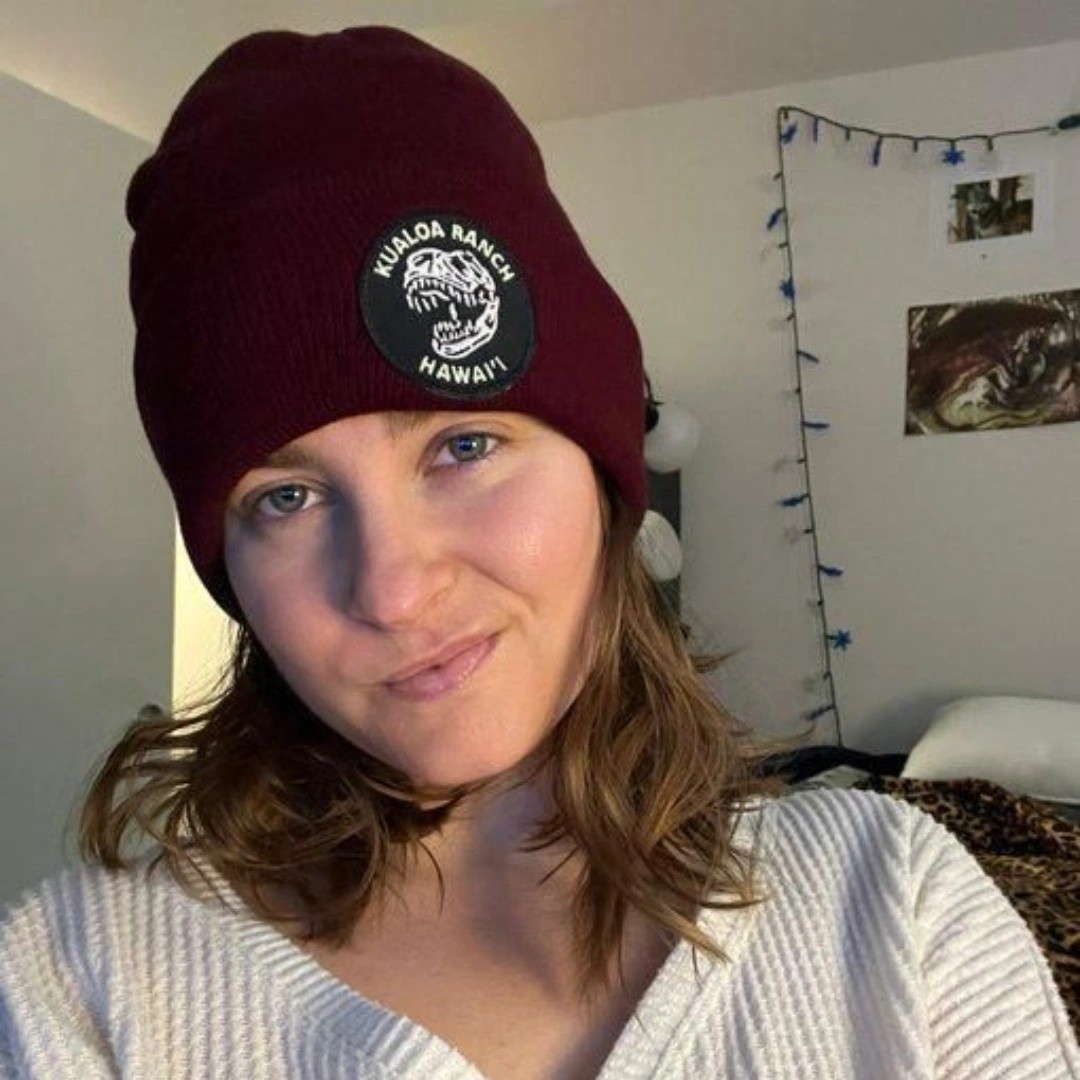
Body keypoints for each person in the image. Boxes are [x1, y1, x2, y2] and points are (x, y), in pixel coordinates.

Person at [1, 26, 1077, 1080]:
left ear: (603, 471)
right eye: (285, 498)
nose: (394, 589)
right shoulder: (80, 988)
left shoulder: (898, 915)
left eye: (463, 446)